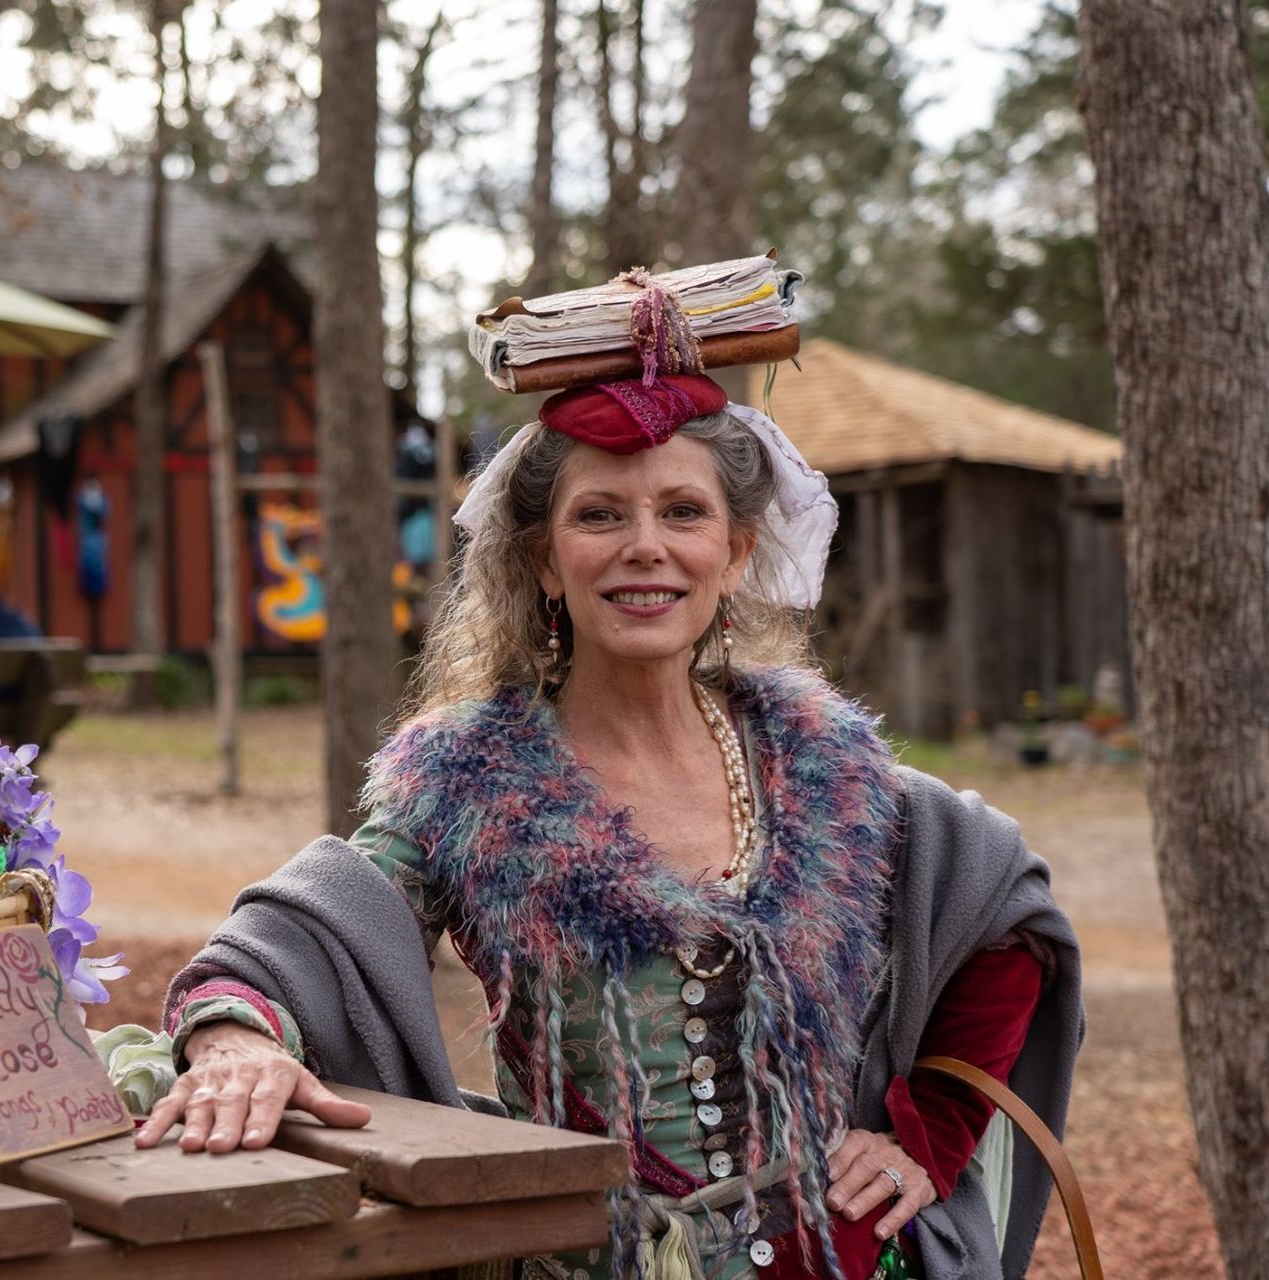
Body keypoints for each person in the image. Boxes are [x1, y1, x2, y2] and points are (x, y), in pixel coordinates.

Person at [138, 338, 1081, 1277]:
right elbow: (313, 929)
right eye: (600, 515)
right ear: (545, 562)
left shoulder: (821, 761)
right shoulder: (472, 784)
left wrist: (931, 1133)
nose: (646, 546)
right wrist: (233, 1039)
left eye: (683, 512)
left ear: (734, 553)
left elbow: (1003, 914)